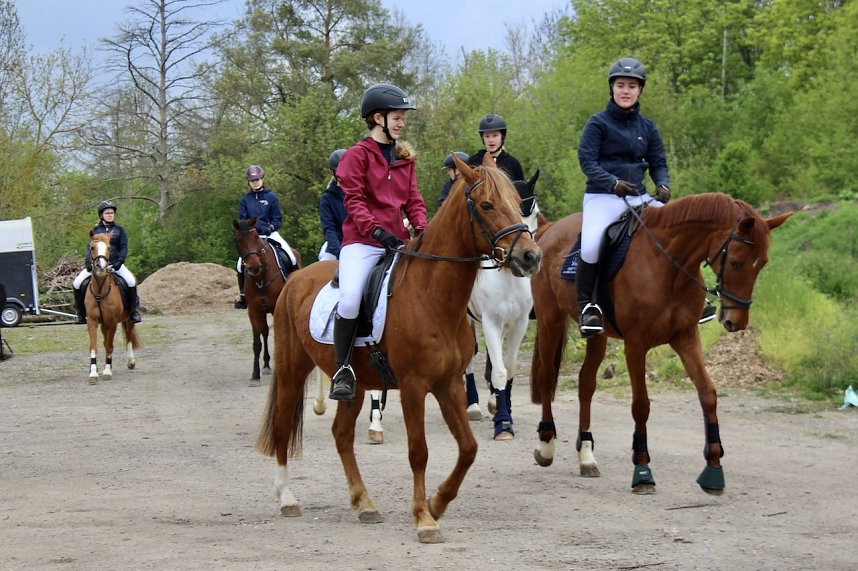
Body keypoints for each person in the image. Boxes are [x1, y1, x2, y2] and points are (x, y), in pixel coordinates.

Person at [328, 83, 428, 401]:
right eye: (396, 117)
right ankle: (343, 368)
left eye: (402, 118)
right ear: (377, 118)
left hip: (398, 242)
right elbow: (353, 201)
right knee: (350, 299)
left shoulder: (404, 158)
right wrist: (375, 232)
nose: (401, 123)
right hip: (362, 242)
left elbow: (413, 200)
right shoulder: (357, 156)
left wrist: (423, 231)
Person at [576, 57, 671, 337]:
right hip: (602, 197)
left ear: (640, 90)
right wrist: (611, 182)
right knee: (591, 245)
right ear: (612, 89)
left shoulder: (648, 128)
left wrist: (663, 185)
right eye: (620, 85)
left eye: (631, 86)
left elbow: (659, 163)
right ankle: (588, 306)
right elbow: (587, 162)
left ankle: (692, 297)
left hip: (639, 197)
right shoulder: (598, 123)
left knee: (674, 231)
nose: (625, 91)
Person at [234, 165, 297, 309]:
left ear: (262, 179)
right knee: (239, 264)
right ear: (248, 182)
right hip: (252, 236)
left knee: (291, 257)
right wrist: (251, 230)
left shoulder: (271, 197)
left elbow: (277, 218)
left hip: (270, 233)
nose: (255, 182)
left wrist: (270, 228)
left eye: (257, 179)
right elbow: (242, 221)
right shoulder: (245, 200)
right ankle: (243, 295)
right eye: (252, 180)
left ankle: (293, 287)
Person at [72, 200, 142, 324]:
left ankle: (133, 312)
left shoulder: (120, 230)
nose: (110, 215)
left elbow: (123, 248)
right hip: (96, 265)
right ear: (101, 215)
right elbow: (89, 248)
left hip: (115, 264)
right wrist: (88, 263)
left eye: (112, 213)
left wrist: (118, 263)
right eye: (107, 213)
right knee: (77, 283)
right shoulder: (94, 231)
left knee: (131, 281)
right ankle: (80, 313)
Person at [467, 113, 524, 182]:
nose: (491, 140)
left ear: (502, 137)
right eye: (487, 136)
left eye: (495, 136)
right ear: (483, 138)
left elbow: (520, 190)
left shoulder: (513, 163)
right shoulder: (473, 161)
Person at [317, 149, 347, 261]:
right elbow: (329, 229)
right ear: (333, 172)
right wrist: (338, 251)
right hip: (337, 244)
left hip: (362, 243)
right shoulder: (327, 198)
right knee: (324, 261)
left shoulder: (362, 191)